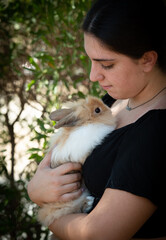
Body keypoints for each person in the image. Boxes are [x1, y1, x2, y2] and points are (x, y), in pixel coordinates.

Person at [27, 0, 166, 239]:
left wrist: (40, 203)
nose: (93, 76)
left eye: (107, 65)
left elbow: (98, 234)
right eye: (91, 60)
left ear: (147, 60)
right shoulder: (115, 101)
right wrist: (38, 184)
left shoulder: (156, 132)